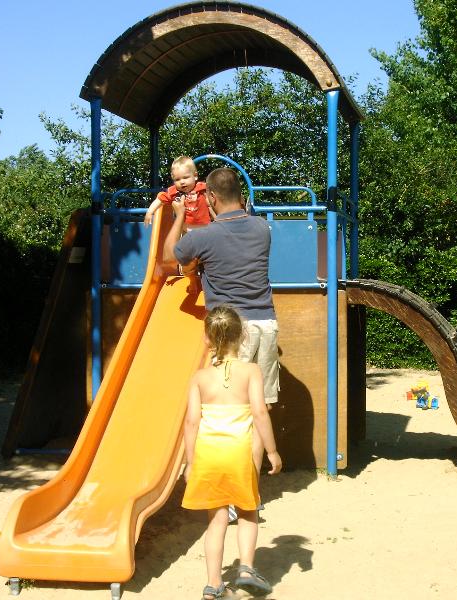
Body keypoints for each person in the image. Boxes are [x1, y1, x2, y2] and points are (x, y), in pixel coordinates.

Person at [163, 167, 280, 476]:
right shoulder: (262, 228)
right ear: (240, 196)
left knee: (231, 410)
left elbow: (169, 257)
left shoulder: (204, 237)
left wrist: (179, 216)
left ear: (211, 197)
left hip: (232, 330)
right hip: (266, 323)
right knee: (260, 407)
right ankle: (250, 484)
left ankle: (231, 483)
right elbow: (239, 232)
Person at [181, 305, 282, 600]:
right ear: (244, 336)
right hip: (240, 453)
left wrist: (190, 462)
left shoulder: (199, 378)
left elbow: (191, 422)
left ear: (207, 339)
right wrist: (272, 451)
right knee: (248, 511)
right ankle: (246, 569)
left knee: (216, 519)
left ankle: (213, 584)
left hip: (208, 455)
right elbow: (260, 412)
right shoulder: (251, 371)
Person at [143, 155, 214, 228]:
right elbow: (159, 199)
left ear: (195, 176)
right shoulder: (173, 192)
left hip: (204, 227)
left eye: (185, 177)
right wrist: (149, 212)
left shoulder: (201, 187)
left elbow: (216, 191)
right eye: (177, 179)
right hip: (186, 228)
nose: (182, 182)